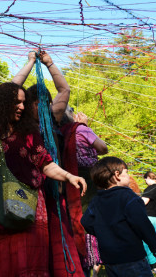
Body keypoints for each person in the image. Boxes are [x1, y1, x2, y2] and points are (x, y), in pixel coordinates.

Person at [0, 82, 86, 277]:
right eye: (16, 102)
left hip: (26, 208)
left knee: (29, 265)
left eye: (23, 102)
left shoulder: (28, 132)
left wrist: (69, 176)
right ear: (2, 103)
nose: (21, 107)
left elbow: (45, 163)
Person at [12, 50, 85, 277]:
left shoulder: (51, 119)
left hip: (55, 189)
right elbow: (8, 89)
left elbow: (65, 90)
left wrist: (50, 63)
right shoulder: (18, 124)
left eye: (44, 102)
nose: (39, 107)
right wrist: (30, 62)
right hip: (29, 192)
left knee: (59, 240)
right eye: (35, 103)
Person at [81, 157, 156, 277]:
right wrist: (155, 247)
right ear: (117, 175)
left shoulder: (96, 200)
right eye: (126, 173)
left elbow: (86, 221)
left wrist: (103, 231)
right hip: (132, 257)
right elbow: (143, 224)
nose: (128, 176)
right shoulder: (129, 196)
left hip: (110, 259)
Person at [59, 107, 108, 277]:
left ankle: (75, 262)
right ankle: (92, 262)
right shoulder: (80, 129)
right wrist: (86, 127)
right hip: (87, 179)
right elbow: (103, 148)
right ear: (71, 115)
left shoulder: (58, 131)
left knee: (72, 220)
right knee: (90, 219)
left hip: (65, 178)